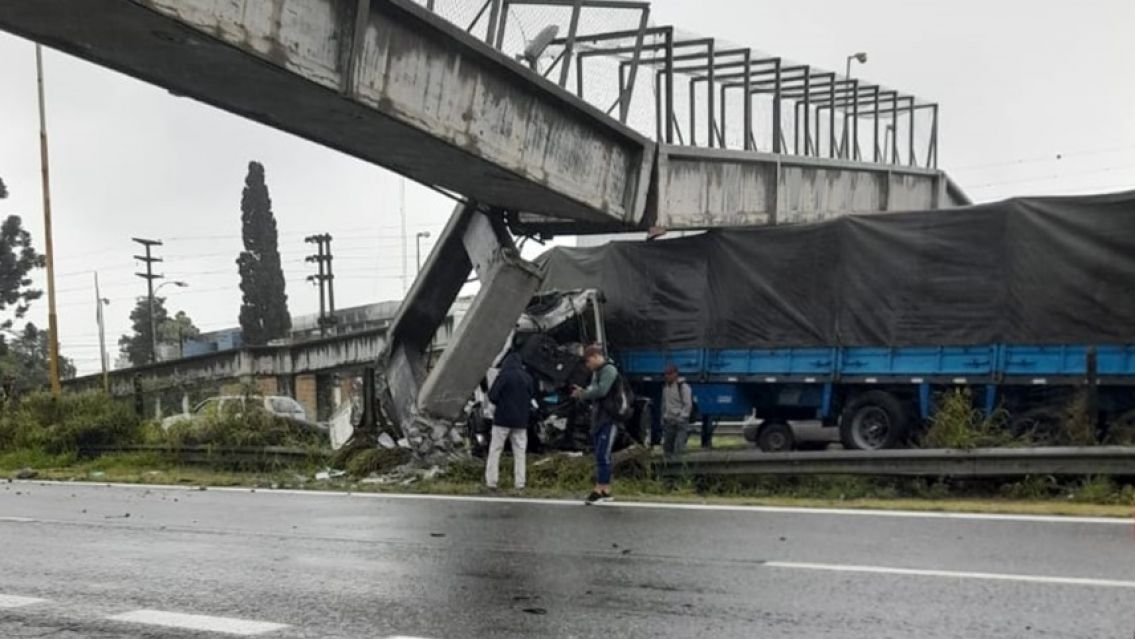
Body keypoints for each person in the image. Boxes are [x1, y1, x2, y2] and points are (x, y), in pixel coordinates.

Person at [571, 344, 619, 504]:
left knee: (602, 454)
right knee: (601, 453)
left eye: (588, 361)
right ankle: (606, 490)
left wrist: (584, 394)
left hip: (609, 418)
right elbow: (593, 389)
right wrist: (585, 392)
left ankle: (599, 488)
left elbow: (601, 390)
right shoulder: (597, 372)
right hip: (599, 417)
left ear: (595, 357)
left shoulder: (609, 370)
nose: (588, 365)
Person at [485, 352, 534, 492]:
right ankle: (520, 483)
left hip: (502, 420)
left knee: (495, 450)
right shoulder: (527, 377)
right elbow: (532, 395)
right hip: (521, 422)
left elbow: (493, 396)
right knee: (520, 453)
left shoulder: (503, 376)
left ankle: (492, 482)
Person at [661, 364, 693, 455]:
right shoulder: (666, 388)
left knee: (679, 448)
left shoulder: (683, 387)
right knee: (667, 448)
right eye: (666, 374)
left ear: (675, 374)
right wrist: (663, 417)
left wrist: (681, 417)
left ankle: (678, 466)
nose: (667, 376)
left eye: (669, 374)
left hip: (680, 421)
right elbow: (664, 404)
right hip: (669, 421)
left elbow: (688, 404)